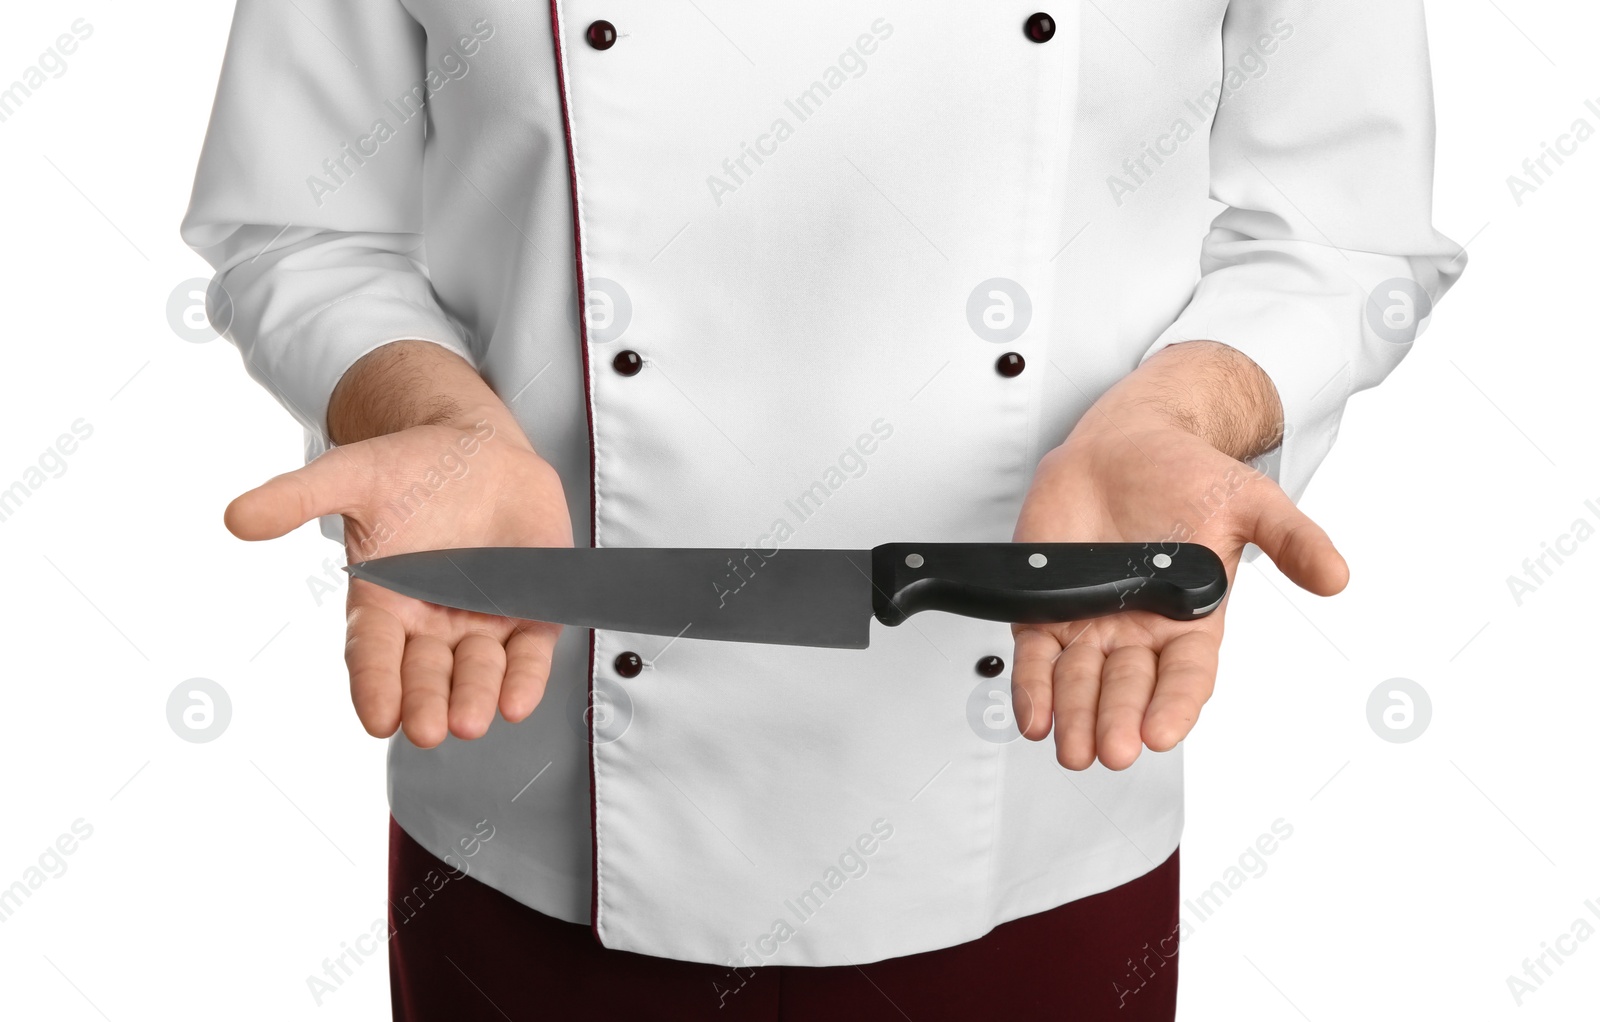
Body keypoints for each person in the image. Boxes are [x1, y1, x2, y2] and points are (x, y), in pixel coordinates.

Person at [182, 3, 1461, 1018]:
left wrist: (1192, 408)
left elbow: (1344, 238)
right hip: (529, 801)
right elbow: (301, 225)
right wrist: (418, 402)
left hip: (1042, 793)